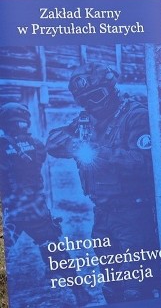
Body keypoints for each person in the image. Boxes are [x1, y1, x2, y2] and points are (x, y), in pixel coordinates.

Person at [47, 62, 161, 302]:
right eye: (83, 101)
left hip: (134, 215)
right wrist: (75, 144)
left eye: (96, 96)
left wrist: (97, 152)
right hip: (102, 214)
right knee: (111, 286)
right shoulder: (85, 120)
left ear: (111, 89)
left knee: (136, 288)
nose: (91, 105)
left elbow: (142, 162)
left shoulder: (135, 115)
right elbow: (52, 140)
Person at [0, 102, 91, 305]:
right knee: (54, 250)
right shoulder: (37, 144)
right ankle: (79, 291)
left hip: (10, 211)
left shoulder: (3, 145)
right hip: (35, 209)